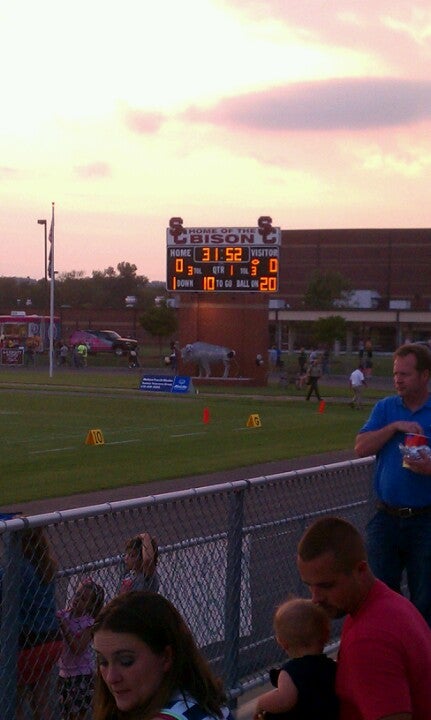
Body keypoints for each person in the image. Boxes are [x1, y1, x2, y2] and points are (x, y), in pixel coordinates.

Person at [297, 516, 431, 720]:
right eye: (309, 585)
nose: (315, 599)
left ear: (360, 570)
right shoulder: (390, 604)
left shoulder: (368, 640)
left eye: (326, 586)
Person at [355, 342, 431, 624]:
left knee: (424, 597)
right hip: (385, 517)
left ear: (425, 376)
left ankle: (421, 657)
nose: (398, 379)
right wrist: (393, 427)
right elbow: (361, 447)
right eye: (396, 373)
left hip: (424, 520)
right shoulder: (386, 408)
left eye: (405, 374)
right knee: (380, 594)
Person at [92, 590, 234, 720]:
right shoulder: (204, 704)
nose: (111, 677)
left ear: (166, 657)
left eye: (126, 661)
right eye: (102, 661)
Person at [4, 527, 63, 720]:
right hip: (51, 639)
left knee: (16, 701)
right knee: (41, 699)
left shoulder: (16, 568)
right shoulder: (46, 565)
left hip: (27, 645)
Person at [253, 598, 338, 720]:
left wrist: (261, 703)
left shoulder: (290, 672)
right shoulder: (332, 667)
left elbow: (284, 700)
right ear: (326, 636)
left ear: (282, 642)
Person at [57, 578, 105, 720]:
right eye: (77, 595)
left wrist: (65, 627)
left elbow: (77, 648)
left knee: (77, 714)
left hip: (80, 675)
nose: (77, 599)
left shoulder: (88, 623)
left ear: (90, 607)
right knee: (64, 712)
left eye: (83, 599)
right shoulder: (65, 615)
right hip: (64, 672)